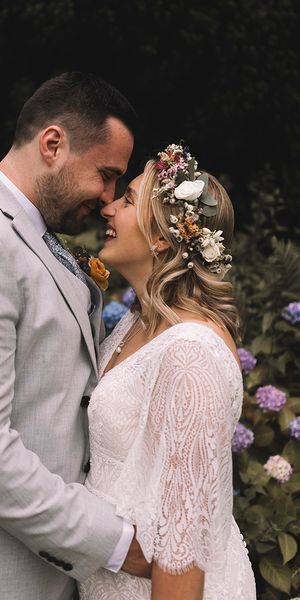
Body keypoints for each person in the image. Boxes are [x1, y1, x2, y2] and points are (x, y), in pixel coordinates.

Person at [79, 143, 257, 599]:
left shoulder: (193, 352)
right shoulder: (135, 325)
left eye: (128, 199)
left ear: (161, 237)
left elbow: (184, 545)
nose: (109, 205)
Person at [0, 70, 147, 600]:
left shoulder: (38, 234)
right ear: (53, 143)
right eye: (106, 174)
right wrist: (114, 543)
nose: (108, 198)